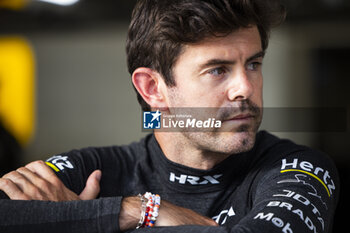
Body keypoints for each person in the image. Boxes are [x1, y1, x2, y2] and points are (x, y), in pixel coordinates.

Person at [0, 0, 339, 232]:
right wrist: (139, 210)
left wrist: (78, 220)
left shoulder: (300, 169)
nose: (245, 88)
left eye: (253, 64)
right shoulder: (94, 169)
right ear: (152, 89)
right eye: (218, 70)